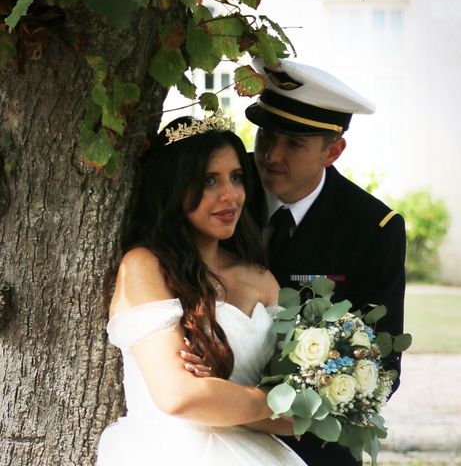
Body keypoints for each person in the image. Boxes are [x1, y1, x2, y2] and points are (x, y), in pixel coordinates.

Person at [96, 113, 306, 466]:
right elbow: (178, 396)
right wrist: (264, 401)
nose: (230, 195)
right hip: (168, 452)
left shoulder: (261, 279)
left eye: (236, 177)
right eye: (209, 180)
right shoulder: (145, 266)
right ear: (175, 186)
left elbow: (300, 416)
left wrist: (221, 394)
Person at [244, 59, 407, 466]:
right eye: (266, 134)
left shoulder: (371, 227)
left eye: (294, 143)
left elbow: (381, 363)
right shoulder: (223, 191)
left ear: (333, 150)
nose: (270, 155)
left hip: (312, 445)